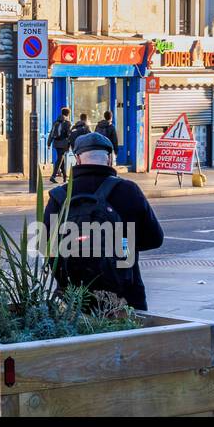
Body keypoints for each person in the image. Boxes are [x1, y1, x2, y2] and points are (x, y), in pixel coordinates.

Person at [44, 131, 164, 310]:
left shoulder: (60, 196)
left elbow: (47, 245)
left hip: (74, 299)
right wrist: (121, 244)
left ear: (77, 159)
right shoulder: (128, 191)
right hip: (125, 296)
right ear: (109, 159)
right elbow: (155, 238)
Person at [46, 108, 73, 184]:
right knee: (59, 160)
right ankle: (53, 176)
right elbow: (69, 134)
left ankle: (65, 176)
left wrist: (49, 143)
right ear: (68, 114)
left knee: (61, 159)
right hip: (63, 143)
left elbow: (51, 133)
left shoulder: (56, 122)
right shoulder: (67, 123)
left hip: (56, 143)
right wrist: (71, 143)